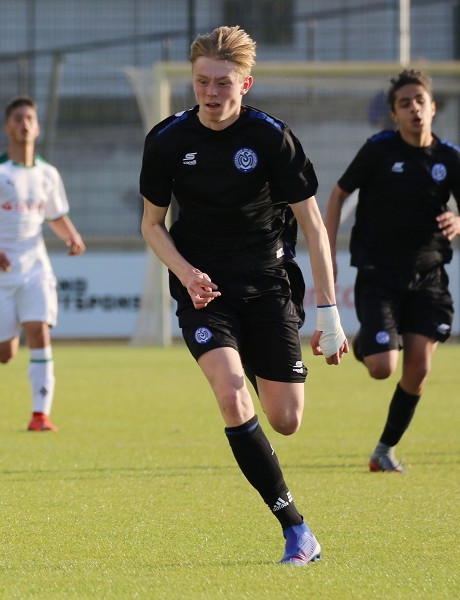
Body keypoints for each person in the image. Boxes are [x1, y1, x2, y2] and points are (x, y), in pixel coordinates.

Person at [139, 26, 349, 566]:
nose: (210, 92)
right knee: (232, 394)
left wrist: (330, 315)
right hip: (204, 291)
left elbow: (314, 225)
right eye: (201, 81)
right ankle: (296, 529)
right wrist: (186, 273)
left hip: (269, 284)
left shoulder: (272, 139)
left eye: (222, 82)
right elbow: (152, 225)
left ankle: (261, 366)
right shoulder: (167, 140)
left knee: (285, 419)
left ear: (246, 83)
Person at [324, 69, 460, 473]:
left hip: (429, 276)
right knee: (384, 367)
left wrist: (458, 221)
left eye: (420, 101)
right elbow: (337, 194)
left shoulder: (449, 158)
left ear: (433, 108)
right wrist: (326, 250)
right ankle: (367, 343)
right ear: (393, 114)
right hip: (379, 273)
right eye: (405, 103)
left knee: (418, 368)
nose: (414, 108)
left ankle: (384, 450)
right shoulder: (379, 150)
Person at [0, 95, 86, 432]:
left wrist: (71, 236)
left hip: (35, 269)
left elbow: (55, 215)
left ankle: (40, 415)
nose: (24, 123)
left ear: (37, 127)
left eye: (29, 118)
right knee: (4, 354)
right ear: (7, 127)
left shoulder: (47, 174)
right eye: (17, 118)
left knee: (39, 333)